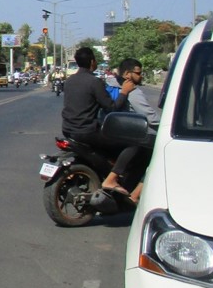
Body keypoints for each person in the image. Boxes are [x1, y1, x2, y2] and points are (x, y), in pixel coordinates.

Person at [100, 58, 160, 204]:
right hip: (131, 135)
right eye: (138, 73)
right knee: (159, 158)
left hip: (109, 132)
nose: (141, 76)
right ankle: (136, 195)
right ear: (128, 74)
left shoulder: (110, 85)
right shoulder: (132, 91)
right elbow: (150, 117)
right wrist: (167, 125)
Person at [61, 46, 134, 155]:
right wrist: (124, 92)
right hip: (86, 132)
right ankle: (114, 172)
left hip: (67, 129)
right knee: (131, 144)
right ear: (92, 62)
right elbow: (111, 107)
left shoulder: (69, 81)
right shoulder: (95, 82)